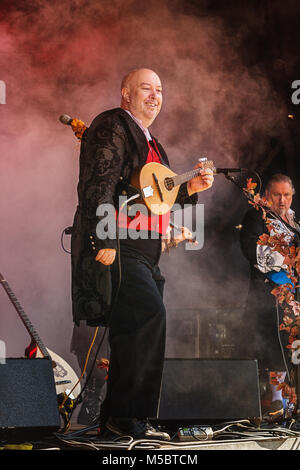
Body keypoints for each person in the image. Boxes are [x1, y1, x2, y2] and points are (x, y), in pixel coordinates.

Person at [71, 68, 214, 439]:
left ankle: (118, 419)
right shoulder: (113, 125)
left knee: (131, 333)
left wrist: (190, 188)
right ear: (126, 94)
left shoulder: (151, 141)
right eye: (146, 89)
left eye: (160, 90)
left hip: (144, 251)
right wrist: (102, 240)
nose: (155, 96)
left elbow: (156, 196)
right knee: (148, 316)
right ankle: (128, 417)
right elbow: (97, 183)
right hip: (120, 244)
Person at [240, 173, 300, 421]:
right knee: (276, 347)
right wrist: (288, 258)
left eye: (287, 195)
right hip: (268, 294)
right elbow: (251, 249)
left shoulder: (295, 222)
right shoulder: (257, 216)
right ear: (267, 196)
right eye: (277, 194)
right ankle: (277, 401)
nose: (282, 200)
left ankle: (292, 404)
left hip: (294, 296)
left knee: (294, 349)